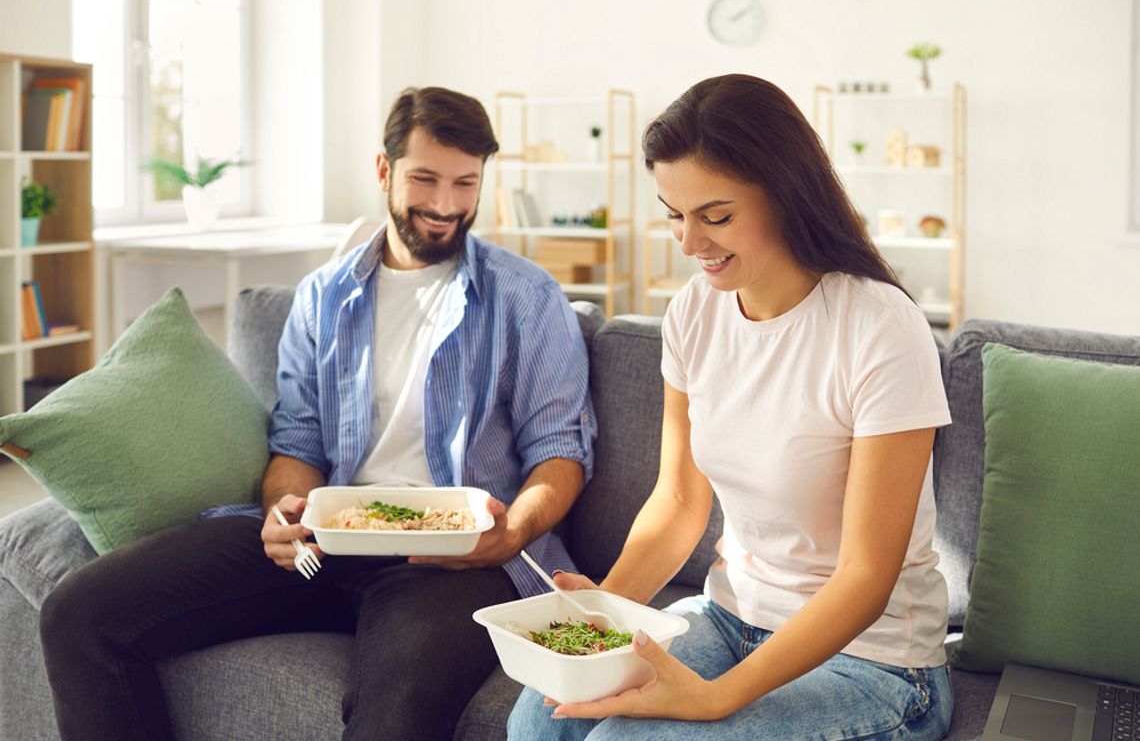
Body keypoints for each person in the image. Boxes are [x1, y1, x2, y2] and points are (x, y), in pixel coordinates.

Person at [39, 86, 596, 741]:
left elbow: (560, 450)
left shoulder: (526, 297)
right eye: (425, 179)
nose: (446, 205)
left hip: (451, 563)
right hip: (329, 538)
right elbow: (299, 440)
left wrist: (509, 535)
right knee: (80, 615)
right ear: (384, 170)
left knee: (397, 713)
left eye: (464, 183)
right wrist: (284, 512)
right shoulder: (323, 298)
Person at [508, 73, 953, 741]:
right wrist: (605, 612)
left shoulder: (878, 326)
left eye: (715, 216)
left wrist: (716, 700)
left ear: (787, 193)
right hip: (726, 616)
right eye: (673, 214)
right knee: (544, 718)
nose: (690, 243)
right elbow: (681, 499)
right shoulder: (695, 311)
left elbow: (868, 575)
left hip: (875, 662)